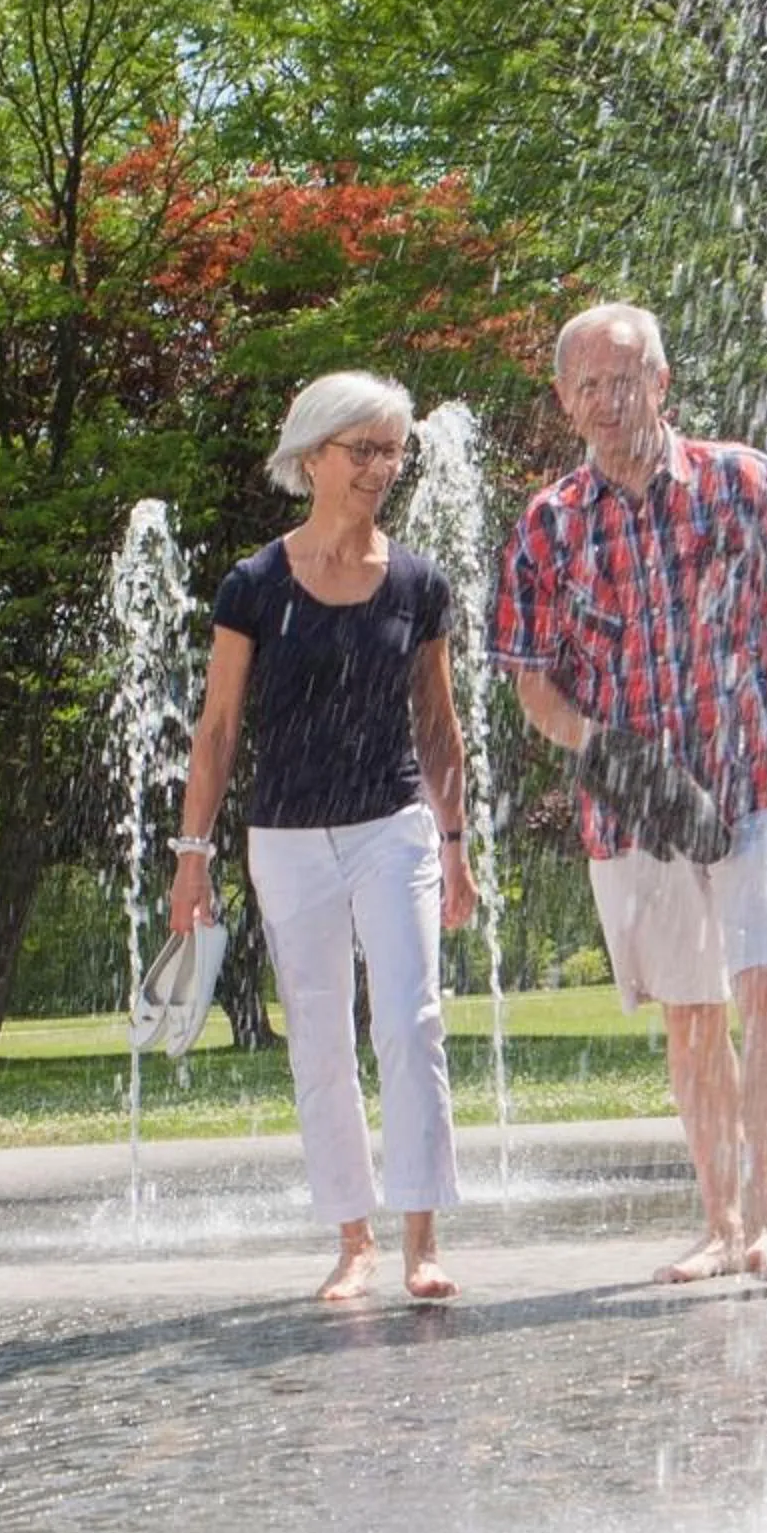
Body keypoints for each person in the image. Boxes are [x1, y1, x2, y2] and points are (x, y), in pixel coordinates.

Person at [493, 302, 767, 1286]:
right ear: (564, 401)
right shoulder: (549, 525)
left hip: (759, 775)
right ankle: (719, 1222)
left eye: (624, 380)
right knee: (692, 1012)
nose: (607, 400)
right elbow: (532, 683)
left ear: (661, 384)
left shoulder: (741, 482)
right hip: (641, 805)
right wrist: (606, 753)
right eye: (587, 385)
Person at [170, 371, 477, 1303]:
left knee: (411, 1020)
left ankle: (421, 1241)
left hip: (395, 827)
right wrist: (191, 859)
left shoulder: (419, 583)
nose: (382, 468)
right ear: (312, 458)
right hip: (288, 839)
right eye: (363, 450)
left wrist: (456, 844)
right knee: (319, 1037)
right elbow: (219, 729)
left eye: (393, 451)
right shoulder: (254, 586)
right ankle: (354, 1241)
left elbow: (439, 727)